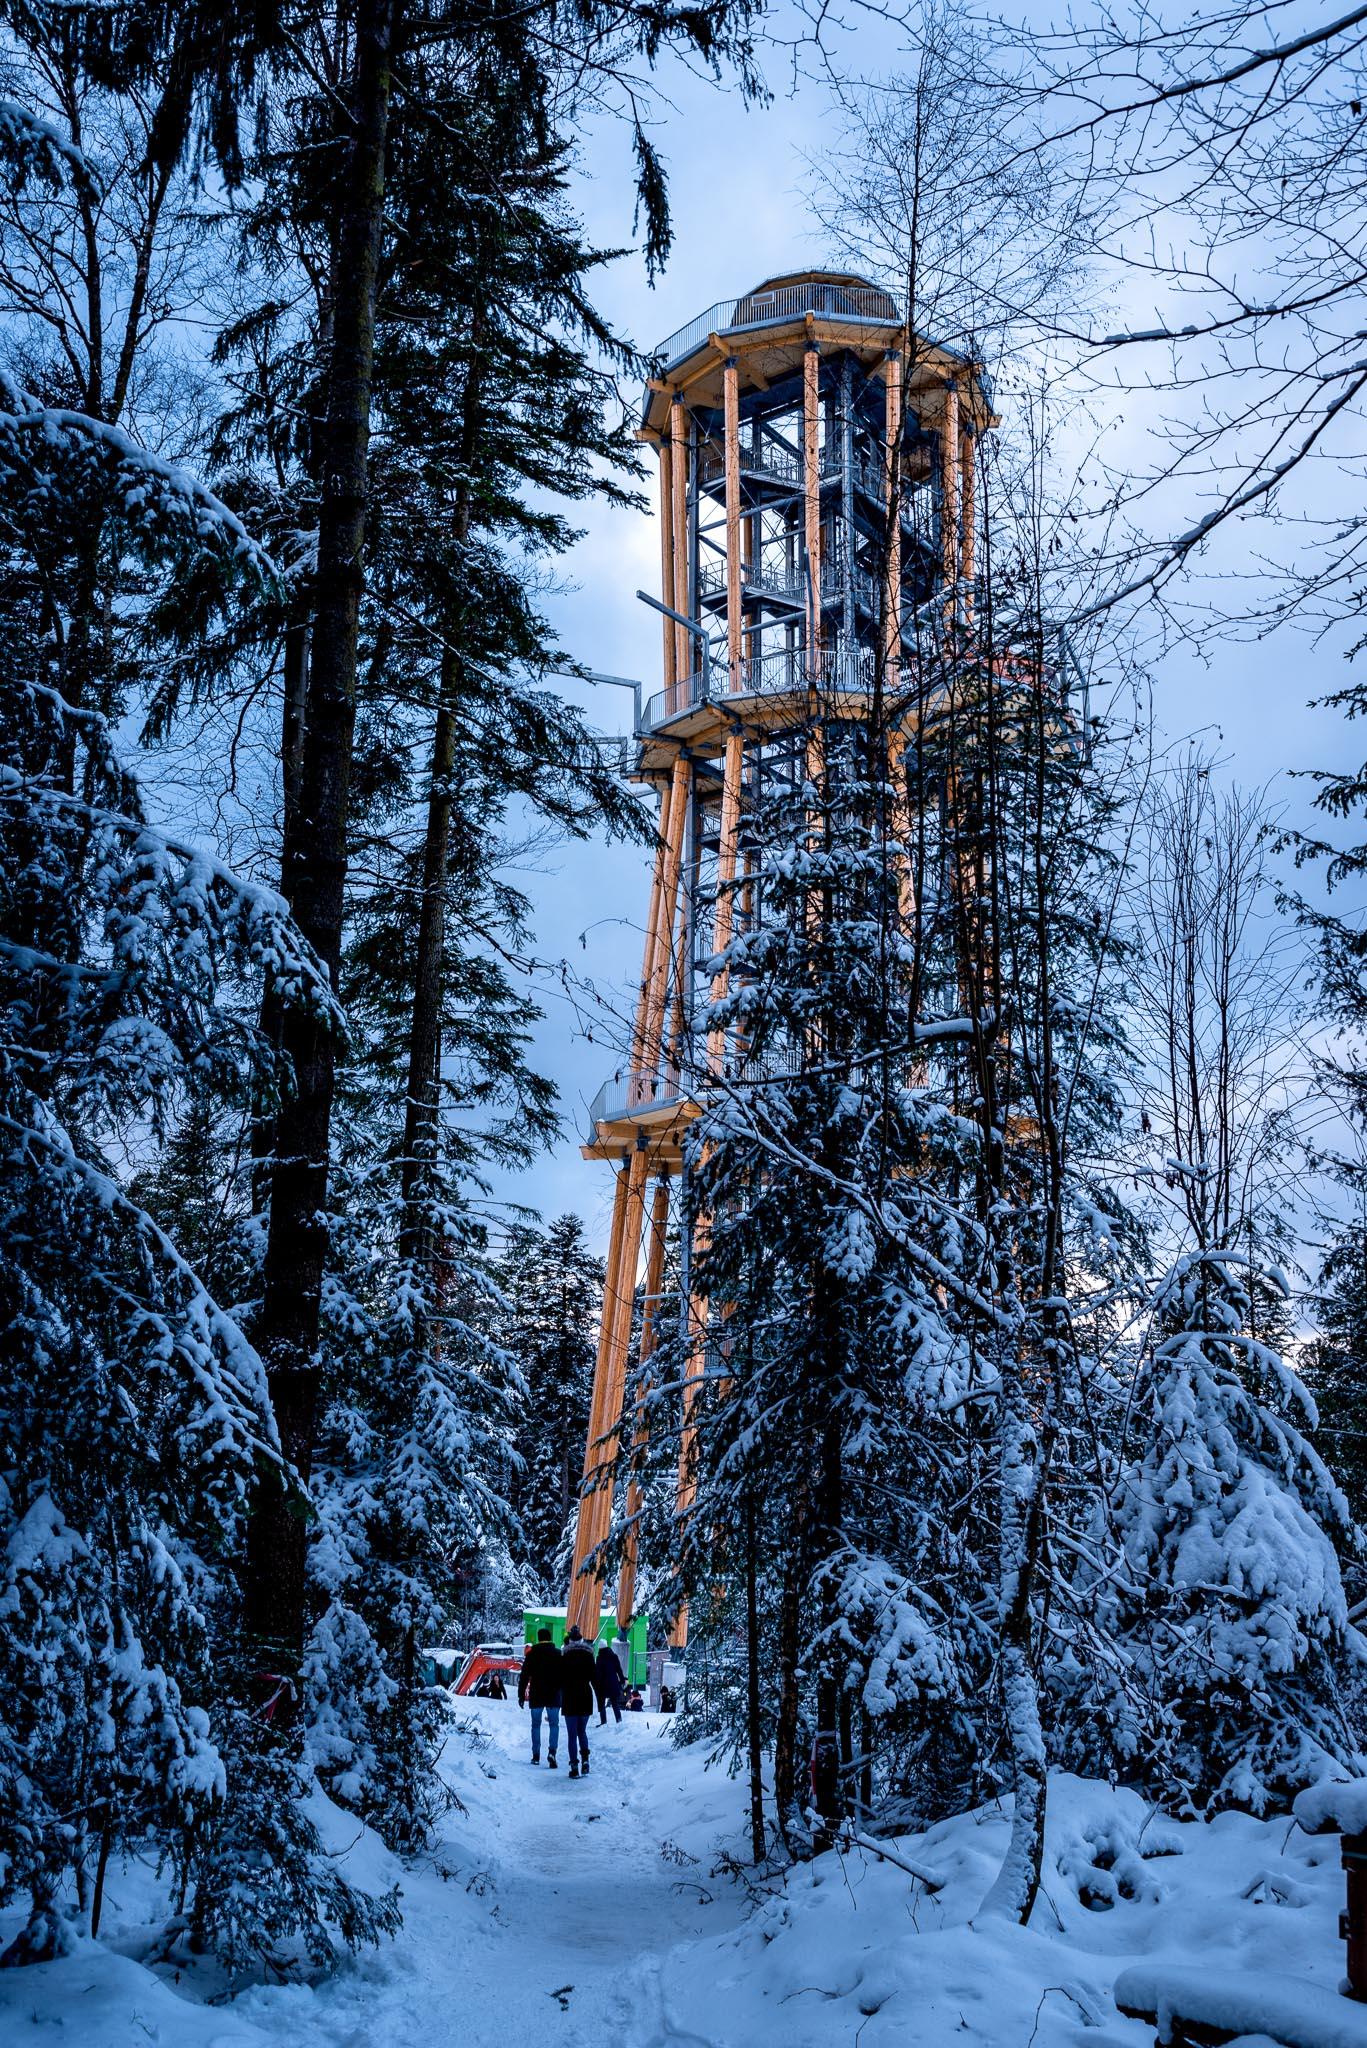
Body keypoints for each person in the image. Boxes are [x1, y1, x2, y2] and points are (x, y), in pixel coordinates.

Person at [517, 1628, 562, 1767]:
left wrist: (521, 1695)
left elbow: (524, 1676)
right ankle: (552, 1752)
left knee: (535, 1725)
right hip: (553, 1694)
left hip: (536, 1694)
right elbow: (564, 1675)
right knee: (554, 1725)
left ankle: (536, 1755)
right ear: (550, 1637)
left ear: (538, 1638)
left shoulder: (532, 1655)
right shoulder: (558, 1654)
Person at [559, 1625, 597, 1778]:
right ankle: (586, 1761)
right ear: (581, 1640)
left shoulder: (565, 1656)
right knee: (582, 1731)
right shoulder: (589, 1655)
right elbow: (594, 1677)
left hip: (569, 1696)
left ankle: (574, 1766)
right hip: (585, 1695)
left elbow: (560, 1678)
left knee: (571, 1734)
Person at [593, 1640, 625, 1727]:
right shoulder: (614, 1656)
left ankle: (603, 1722)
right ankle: (619, 1720)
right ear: (607, 1646)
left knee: (602, 1703)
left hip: (602, 1685)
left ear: (599, 1648)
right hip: (613, 1683)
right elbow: (619, 1669)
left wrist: (596, 1684)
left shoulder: (599, 1658)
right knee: (614, 1703)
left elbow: (598, 1673)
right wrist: (622, 1680)